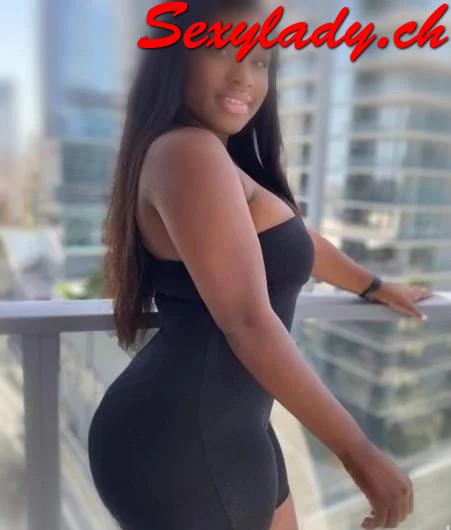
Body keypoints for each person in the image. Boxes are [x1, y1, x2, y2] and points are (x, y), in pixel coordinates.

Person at [88, 1, 431, 529]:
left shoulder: (215, 159)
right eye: (220, 49)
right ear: (176, 57)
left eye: (260, 61)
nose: (243, 76)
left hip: (234, 422)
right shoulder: (189, 152)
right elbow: (247, 320)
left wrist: (376, 285)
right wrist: (358, 451)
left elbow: (297, 241)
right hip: (181, 441)